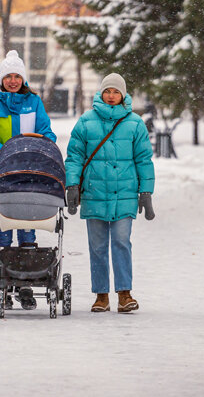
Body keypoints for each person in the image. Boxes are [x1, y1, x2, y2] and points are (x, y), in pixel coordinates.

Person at [64, 73, 155, 313]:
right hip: (94, 192)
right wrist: (72, 185)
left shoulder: (135, 123)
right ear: (101, 93)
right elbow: (74, 157)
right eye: (108, 91)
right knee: (97, 246)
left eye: (116, 92)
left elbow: (144, 159)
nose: (111, 96)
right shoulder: (86, 122)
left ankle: (125, 294)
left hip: (124, 193)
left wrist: (146, 192)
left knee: (121, 242)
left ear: (123, 94)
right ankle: (101, 295)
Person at [0, 50, 56, 310]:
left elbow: (46, 132)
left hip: (30, 172)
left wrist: (42, 149)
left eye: (17, 76)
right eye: (8, 76)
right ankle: (4, 282)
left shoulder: (33, 102)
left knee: (27, 224)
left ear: (23, 78)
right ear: (1, 79)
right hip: (1, 172)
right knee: (3, 226)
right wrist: (5, 153)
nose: (13, 81)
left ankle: (25, 281)